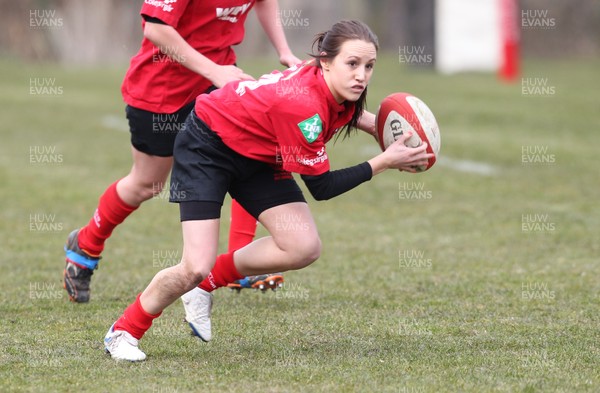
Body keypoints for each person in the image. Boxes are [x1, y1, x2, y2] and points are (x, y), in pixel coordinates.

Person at [103, 19, 433, 361]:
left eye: (369, 66)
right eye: (352, 64)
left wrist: (393, 129)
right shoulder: (303, 107)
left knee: (302, 246)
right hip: (207, 148)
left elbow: (349, 114)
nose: (361, 75)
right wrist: (384, 160)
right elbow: (322, 187)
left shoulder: (335, 86)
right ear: (325, 61)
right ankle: (124, 331)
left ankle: (208, 283)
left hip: (256, 157)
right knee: (193, 266)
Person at [63, 0, 300, 308]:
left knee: (252, 153)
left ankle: (240, 259)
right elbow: (156, 28)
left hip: (217, 84)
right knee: (147, 184)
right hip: (161, 93)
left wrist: (284, 50)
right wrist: (214, 70)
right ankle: (86, 243)